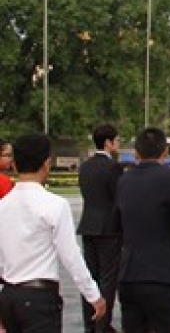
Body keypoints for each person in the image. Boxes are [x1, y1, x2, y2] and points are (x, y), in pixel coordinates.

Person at [0, 134, 106, 332]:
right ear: (46, 164)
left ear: (14, 165)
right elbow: (70, 256)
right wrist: (93, 294)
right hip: (39, 297)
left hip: (8, 296)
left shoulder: (2, 206)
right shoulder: (55, 205)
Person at [116, 127, 170, 332]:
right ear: (164, 152)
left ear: (136, 152)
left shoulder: (124, 180)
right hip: (160, 272)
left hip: (128, 272)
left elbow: (116, 222)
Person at [77, 123, 124, 333]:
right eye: (117, 139)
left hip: (89, 225)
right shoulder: (113, 167)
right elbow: (118, 198)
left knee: (91, 277)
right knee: (108, 279)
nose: (119, 143)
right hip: (109, 228)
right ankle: (102, 325)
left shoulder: (85, 166)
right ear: (108, 142)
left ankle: (90, 324)